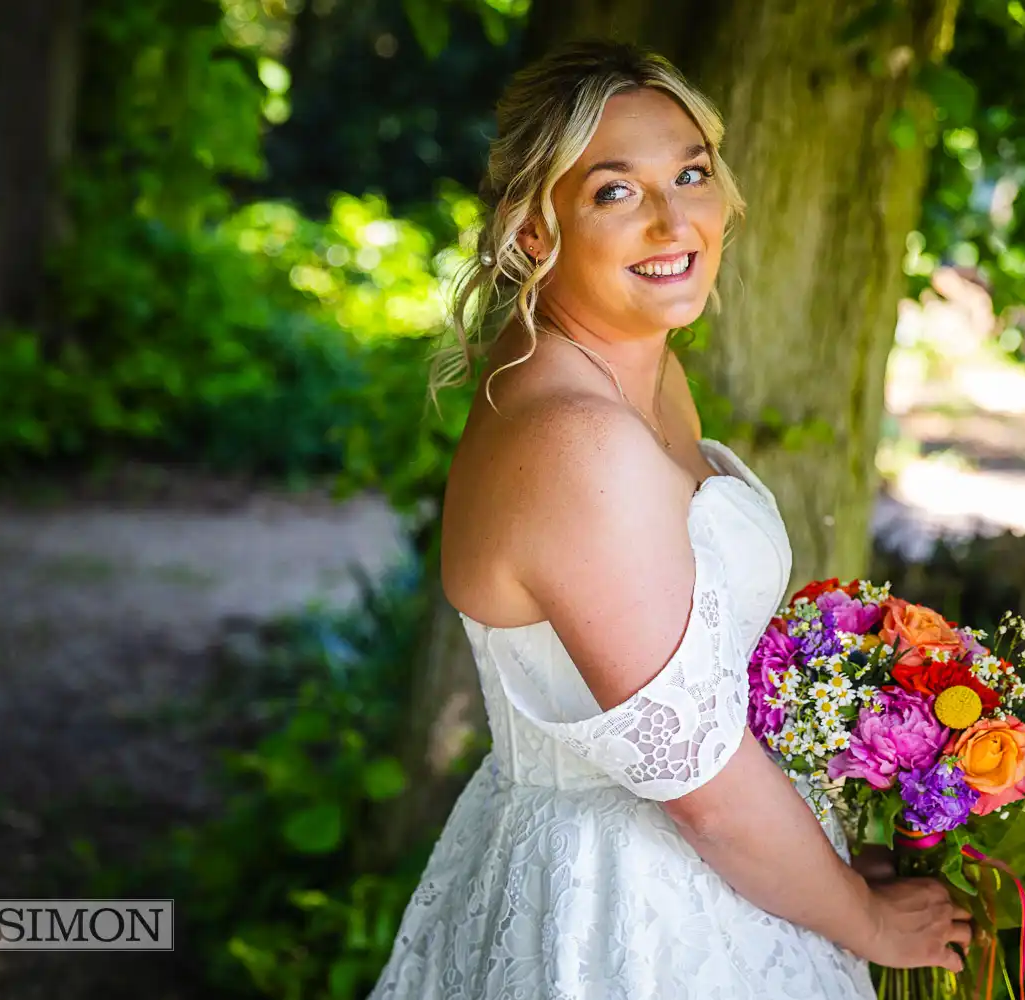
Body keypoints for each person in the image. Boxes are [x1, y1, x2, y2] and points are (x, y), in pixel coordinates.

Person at [367, 40, 972, 1000]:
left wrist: (829, 846)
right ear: (534, 233)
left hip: (745, 867)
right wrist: (865, 920)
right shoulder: (576, 442)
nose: (672, 218)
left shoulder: (636, 369)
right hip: (636, 907)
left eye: (689, 173)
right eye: (615, 192)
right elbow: (704, 789)